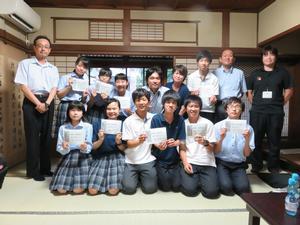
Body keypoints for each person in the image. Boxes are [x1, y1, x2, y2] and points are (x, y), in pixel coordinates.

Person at [14, 35, 59, 181]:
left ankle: (45, 169)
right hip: (31, 101)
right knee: (32, 137)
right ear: (34, 48)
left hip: (48, 101)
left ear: (50, 50)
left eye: (46, 46)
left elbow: (54, 88)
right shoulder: (25, 64)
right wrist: (37, 103)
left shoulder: (53, 68)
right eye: (40, 45)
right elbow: (23, 86)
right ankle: (33, 172)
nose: (43, 48)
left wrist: (46, 103)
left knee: (46, 137)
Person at [247, 46, 294, 173]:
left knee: (275, 140)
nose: (268, 57)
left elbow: (289, 90)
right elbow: (249, 92)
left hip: (275, 113)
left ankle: (273, 166)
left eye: (271, 55)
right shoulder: (255, 73)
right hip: (257, 112)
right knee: (255, 140)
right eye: (265, 55)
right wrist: (256, 104)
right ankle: (256, 165)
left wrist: (280, 103)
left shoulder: (283, 73)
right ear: (262, 58)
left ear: (276, 57)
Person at [180, 95, 219, 198]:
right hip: (191, 161)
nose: (193, 109)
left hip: (207, 163)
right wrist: (185, 163)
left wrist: (205, 142)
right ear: (185, 108)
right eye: (190, 106)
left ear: (200, 108)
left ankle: (201, 180)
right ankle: (194, 180)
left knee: (212, 194)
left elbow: (212, 148)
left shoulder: (208, 123)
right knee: (189, 192)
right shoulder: (182, 124)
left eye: (196, 106)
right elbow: (182, 148)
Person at [49, 101, 92, 194]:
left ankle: (79, 185)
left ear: (82, 112)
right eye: (72, 110)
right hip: (67, 157)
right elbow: (59, 148)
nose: (75, 113)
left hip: (83, 158)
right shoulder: (63, 127)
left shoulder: (88, 126)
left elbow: (89, 147)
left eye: (78, 110)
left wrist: (84, 147)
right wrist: (64, 147)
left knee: (77, 190)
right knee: (61, 190)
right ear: (68, 112)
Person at [214, 97, 254, 195]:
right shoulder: (218, 126)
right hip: (222, 163)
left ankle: (233, 178)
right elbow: (215, 151)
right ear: (226, 109)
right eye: (231, 106)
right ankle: (225, 178)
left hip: (239, 164)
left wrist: (247, 138)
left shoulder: (248, 128)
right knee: (226, 188)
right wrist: (221, 138)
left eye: (237, 106)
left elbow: (247, 154)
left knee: (243, 189)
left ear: (242, 110)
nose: (234, 109)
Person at [121, 88, 157, 194]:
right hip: (131, 161)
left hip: (148, 160)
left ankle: (142, 178)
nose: (141, 102)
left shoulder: (154, 118)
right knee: (128, 189)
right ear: (134, 103)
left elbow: (158, 138)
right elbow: (128, 144)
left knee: (150, 190)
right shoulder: (128, 121)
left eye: (144, 99)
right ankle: (136, 178)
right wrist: (138, 141)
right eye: (138, 100)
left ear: (149, 102)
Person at [88, 98, 126, 196]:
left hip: (117, 157)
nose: (112, 111)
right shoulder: (98, 123)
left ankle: (109, 182)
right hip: (100, 157)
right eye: (109, 109)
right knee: (92, 191)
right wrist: (100, 140)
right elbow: (93, 147)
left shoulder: (124, 123)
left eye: (114, 109)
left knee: (113, 191)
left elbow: (124, 149)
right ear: (105, 110)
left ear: (119, 110)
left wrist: (118, 143)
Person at [151, 90, 186, 192]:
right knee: (165, 188)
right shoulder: (156, 119)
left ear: (177, 106)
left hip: (174, 159)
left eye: (174, 103)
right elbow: (153, 140)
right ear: (163, 103)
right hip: (160, 158)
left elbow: (183, 140)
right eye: (168, 102)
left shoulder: (180, 119)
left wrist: (176, 143)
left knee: (176, 187)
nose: (171, 105)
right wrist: (158, 145)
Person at [55, 56, 89, 137]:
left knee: (78, 131)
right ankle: (62, 148)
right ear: (75, 65)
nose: (81, 69)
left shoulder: (86, 79)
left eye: (84, 67)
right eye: (80, 66)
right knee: (63, 130)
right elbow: (59, 96)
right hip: (66, 106)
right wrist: (69, 87)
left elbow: (85, 100)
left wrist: (84, 97)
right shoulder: (65, 77)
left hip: (80, 106)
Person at [213, 49, 247, 123]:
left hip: (235, 105)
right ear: (220, 59)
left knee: (234, 129)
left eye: (230, 56)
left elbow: (243, 91)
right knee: (220, 129)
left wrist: (235, 103)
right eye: (225, 56)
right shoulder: (214, 73)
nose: (227, 58)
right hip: (219, 105)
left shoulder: (240, 73)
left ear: (233, 59)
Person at [187, 50, 219, 122]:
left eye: (206, 61)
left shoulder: (214, 78)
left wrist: (214, 98)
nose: (204, 63)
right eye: (201, 60)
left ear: (209, 63)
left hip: (209, 110)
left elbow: (215, 96)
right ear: (197, 62)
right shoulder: (191, 77)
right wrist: (192, 93)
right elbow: (189, 95)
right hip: (194, 109)